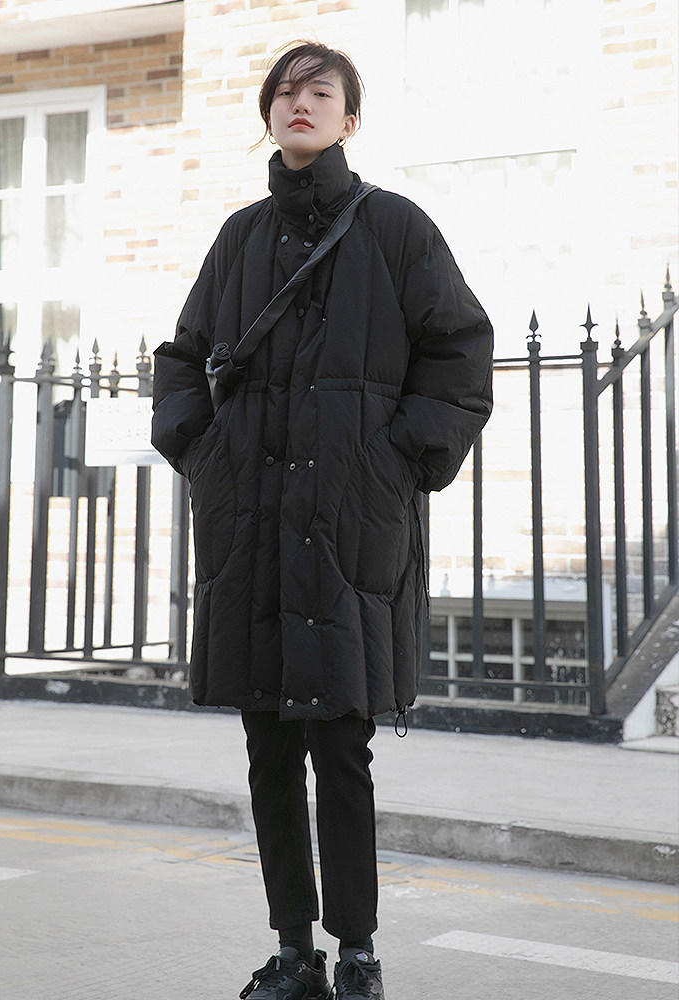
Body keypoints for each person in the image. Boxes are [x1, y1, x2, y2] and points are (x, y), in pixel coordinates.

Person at [151, 40, 493, 1000]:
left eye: (321, 91)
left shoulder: (395, 228)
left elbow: (461, 352)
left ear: (350, 118)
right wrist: (203, 454)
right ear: (268, 113)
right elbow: (181, 359)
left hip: (348, 528)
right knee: (268, 747)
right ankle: (294, 951)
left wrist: (396, 463)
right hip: (255, 527)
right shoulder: (239, 238)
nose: (300, 103)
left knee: (342, 750)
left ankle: (358, 953)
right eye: (286, 91)